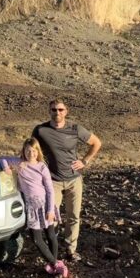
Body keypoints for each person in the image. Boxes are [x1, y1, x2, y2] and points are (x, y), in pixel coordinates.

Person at [32, 98, 101, 262]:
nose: (57, 113)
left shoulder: (75, 129)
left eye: (60, 110)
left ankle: (71, 250)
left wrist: (84, 161)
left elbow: (96, 143)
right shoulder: (41, 130)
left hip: (74, 180)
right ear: (49, 111)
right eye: (54, 110)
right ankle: (52, 250)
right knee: (51, 216)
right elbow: (32, 149)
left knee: (73, 216)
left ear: (66, 111)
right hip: (52, 181)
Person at [0, 138, 68, 278]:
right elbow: (2, 158)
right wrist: (6, 168)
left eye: (34, 150)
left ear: (38, 152)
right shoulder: (19, 163)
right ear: (24, 151)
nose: (31, 153)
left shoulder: (42, 167)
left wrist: (50, 210)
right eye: (28, 150)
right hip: (31, 206)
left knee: (50, 234)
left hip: (45, 204)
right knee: (36, 239)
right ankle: (56, 263)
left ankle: (53, 265)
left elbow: (49, 190)